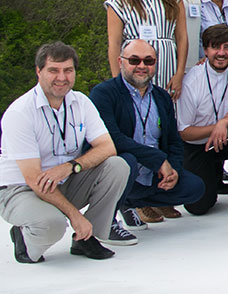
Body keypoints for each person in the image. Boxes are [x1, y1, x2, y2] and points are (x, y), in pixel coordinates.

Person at [0, 42, 131, 262]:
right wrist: (75, 216)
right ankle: (24, 236)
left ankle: (85, 238)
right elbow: (34, 179)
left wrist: (72, 166)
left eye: (68, 70)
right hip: (21, 190)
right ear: (38, 71)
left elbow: (108, 147)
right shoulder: (20, 112)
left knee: (118, 166)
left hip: (62, 181)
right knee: (53, 225)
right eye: (53, 70)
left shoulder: (81, 102)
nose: (62, 77)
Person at [90, 40, 204, 232]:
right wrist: (158, 160)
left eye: (148, 61)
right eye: (134, 60)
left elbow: (174, 141)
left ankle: (129, 201)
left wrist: (173, 170)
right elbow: (112, 139)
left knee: (195, 188)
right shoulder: (104, 93)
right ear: (120, 61)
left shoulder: (161, 97)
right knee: (127, 162)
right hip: (123, 170)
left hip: (152, 175)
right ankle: (112, 208)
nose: (142, 66)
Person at [176, 24, 228, 217]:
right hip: (199, 143)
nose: (221, 53)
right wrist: (217, 126)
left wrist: (224, 124)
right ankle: (213, 175)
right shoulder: (191, 81)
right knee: (198, 207)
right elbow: (185, 131)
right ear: (205, 50)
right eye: (215, 47)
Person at [105, 0, 188, 99]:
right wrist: (117, 81)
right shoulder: (119, 0)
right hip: (134, 68)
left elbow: (182, 38)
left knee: (164, 114)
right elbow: (114, 43)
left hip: (166, 67)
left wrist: (179, 73)